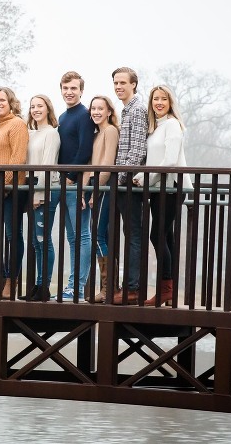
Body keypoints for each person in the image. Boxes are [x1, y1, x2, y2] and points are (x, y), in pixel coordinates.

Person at [134, 85, 192, 306]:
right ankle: (168, 290)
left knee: (156, 236)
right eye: (155, 99)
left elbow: (169, 161)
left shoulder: (172, 125)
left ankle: (165, 289)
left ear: (170, 103)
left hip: (172, 187)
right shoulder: (156, 127)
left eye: (163, 99)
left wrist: (143, 178)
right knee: (166, 237)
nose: (158, 102)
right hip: (159, 189)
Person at [0, 87, 29, 299]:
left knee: (12, 235)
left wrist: (6, 184)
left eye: (3, 100)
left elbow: (17, 159)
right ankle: (0, 278)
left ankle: (12, 280)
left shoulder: (17, 124)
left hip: (11, 189)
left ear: (11, 103)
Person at [55, 71, 96, 301]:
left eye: (73, 88)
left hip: (76, 184)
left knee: (82, 235)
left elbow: (84, 149)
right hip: (64, 184)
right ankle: (72, 286)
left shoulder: (84, 116)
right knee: (72, 237)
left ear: (81, 91)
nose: (69, 92)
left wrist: (71, 177)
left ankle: (77, 287)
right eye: (65, 88)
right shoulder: (63, 116)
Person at [112, 67, 148, 305]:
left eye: (123, 83)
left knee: (134, 234)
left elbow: (137, 152)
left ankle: (132, 289)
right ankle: (127, 287)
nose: (118, 87)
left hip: (130, 184)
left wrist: (119, 178)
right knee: (128, 233)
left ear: (134, 84)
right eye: (115, 83)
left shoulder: (137, 110)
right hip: (125, 182)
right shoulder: (125, 111)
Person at [84, 95, 120, 303]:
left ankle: (108, 289)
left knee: (97, 235)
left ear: (109, 112)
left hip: (105, 188)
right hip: (95, 188)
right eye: (93, 109)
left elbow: (107, 163)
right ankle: (109, 288)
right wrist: (84, 191)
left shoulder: (111, 131)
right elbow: (91, 165)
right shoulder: (97, 134)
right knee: (99, 235)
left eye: (100, 108)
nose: (96, 112)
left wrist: (96, 191)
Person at [25, 95, 61, 302]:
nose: (36, 109)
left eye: (40, 106)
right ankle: (38, 285)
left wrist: (40, 194)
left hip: (46, 189)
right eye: (32, 106)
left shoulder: (51, 134)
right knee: (35, 241)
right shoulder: (31, 133)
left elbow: (47, 165)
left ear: (48, 108)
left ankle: (44, 286)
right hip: (32, 188)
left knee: (43, 239)